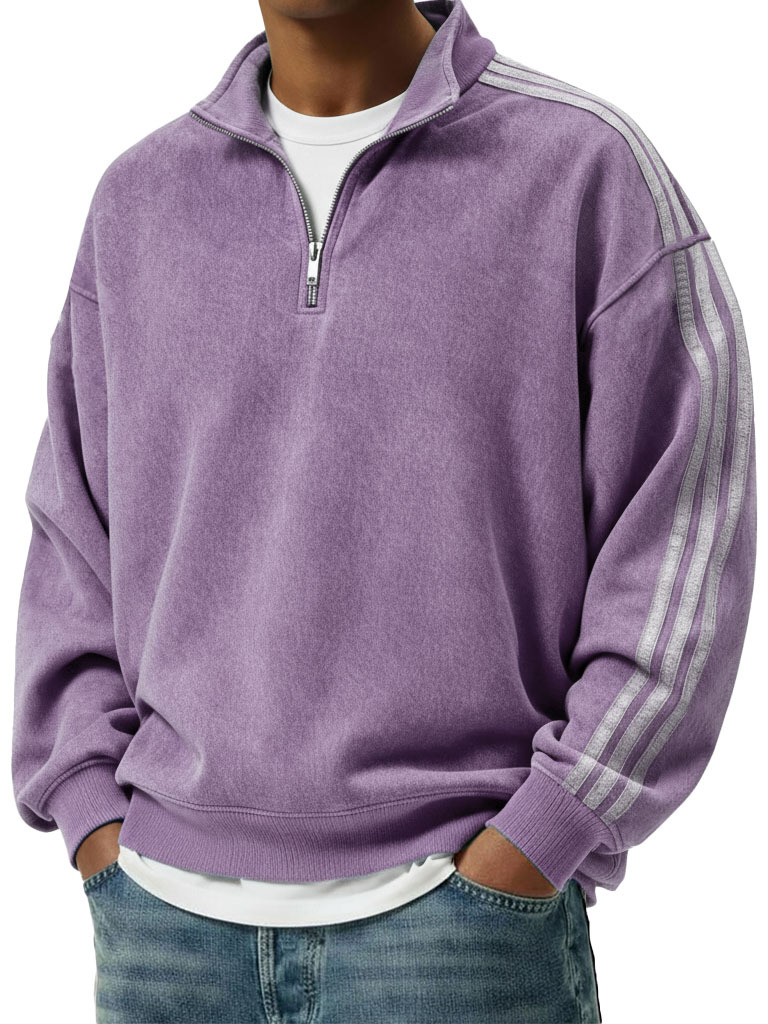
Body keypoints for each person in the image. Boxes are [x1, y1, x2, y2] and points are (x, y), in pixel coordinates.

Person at [11, 0, 756, 1021]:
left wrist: (550, 826)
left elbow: (686, 532)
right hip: (165, 935)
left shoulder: (584, 170)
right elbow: (71, 536)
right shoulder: (140, 202)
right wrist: (90, 809)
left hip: (459, 933)